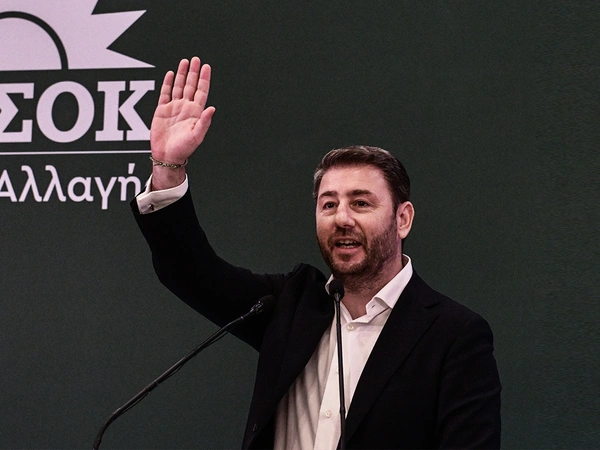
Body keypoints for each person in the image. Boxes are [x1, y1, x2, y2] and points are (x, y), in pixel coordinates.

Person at [132, 57, 501, 449]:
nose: (341, 218)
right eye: (328, 205)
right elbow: (190, 270)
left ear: (403, 219)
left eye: (360, 203)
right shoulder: (289, 306)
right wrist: (168, 167)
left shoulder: (454, 334)